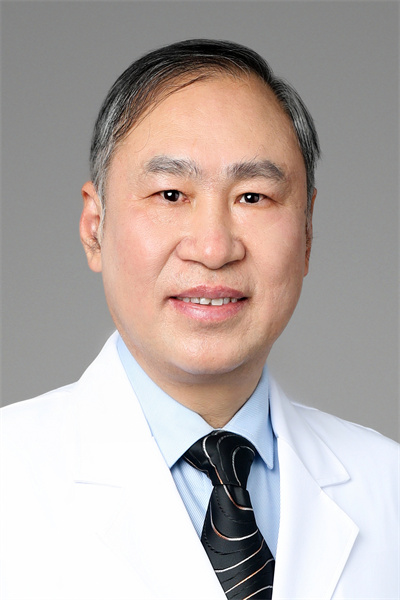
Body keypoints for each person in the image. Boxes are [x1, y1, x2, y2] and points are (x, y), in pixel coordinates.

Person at [1, 39, 398, 600]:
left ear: (307, 233)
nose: (213, 248)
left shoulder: (389, 486)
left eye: (253, 197)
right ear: (94, 228)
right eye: (170, 194)